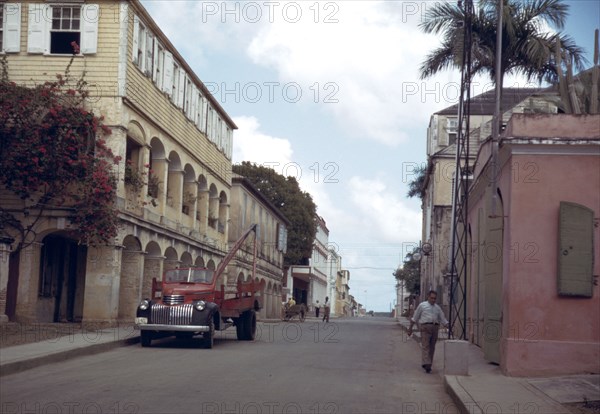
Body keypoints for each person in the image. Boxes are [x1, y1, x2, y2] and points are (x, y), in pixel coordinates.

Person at [408, 290, 448, 374]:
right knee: (425, 346)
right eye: (432, 298)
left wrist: (447, 325)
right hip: (425, 327)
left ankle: (428, 363)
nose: (433, 300)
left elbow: (442, 318)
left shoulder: (437, 308)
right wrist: (410, 328)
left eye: (435, 298)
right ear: (428, 297)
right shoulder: (422, 306)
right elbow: (415, 318)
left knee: (432, 347)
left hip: (435, 328)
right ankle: (427, 364)